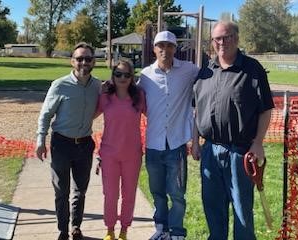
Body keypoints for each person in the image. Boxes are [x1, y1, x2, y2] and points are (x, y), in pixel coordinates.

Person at [192, 21, 274, 240]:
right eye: (217, 39)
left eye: (226, 37)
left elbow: (266, 109)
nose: (221, 43)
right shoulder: (206, 71)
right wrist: (194, 141)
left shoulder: (252, 69)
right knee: (213, 209)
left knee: (242, 213)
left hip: (240, 153)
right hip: (210, 151)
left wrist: (258, 142)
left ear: (236, 38)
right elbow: (196, 109)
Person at [36, 42, 101, 240]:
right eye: (79, 59)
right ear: (72, 61)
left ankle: (76, 227)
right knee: (61, 191)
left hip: (84, 144)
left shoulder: (98, 86)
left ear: (93, 62)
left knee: (80, 191)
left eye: (87, 59)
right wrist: (41, 139)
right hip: (61, 144)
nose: (83, 62)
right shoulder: (59, 85)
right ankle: (63, 230)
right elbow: (46, 114)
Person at [139, 31, 199, 240]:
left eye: (170, 46)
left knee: (177, 194)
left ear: (175, 48)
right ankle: (161, 229)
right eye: (161, 46)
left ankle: (177, 231)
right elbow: (135, 100)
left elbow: (207, 82)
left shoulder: (189, 70)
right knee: (157, 192)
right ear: (154, 49)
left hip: (177, 145)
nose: (165, 50)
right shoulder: (145, 75)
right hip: (153, 145)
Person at [96, 59, 146, 240]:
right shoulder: (105, 97)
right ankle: (110, 229)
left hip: (132, 155)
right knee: (110, 194)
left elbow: (155, 115)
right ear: (112, 76)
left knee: (129, 194)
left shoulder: (139, 96)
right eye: (118, 74)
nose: (122, 78)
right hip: (109, 154)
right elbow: (87, 115)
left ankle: (124, 229)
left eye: (127, 74)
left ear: (132, 77)